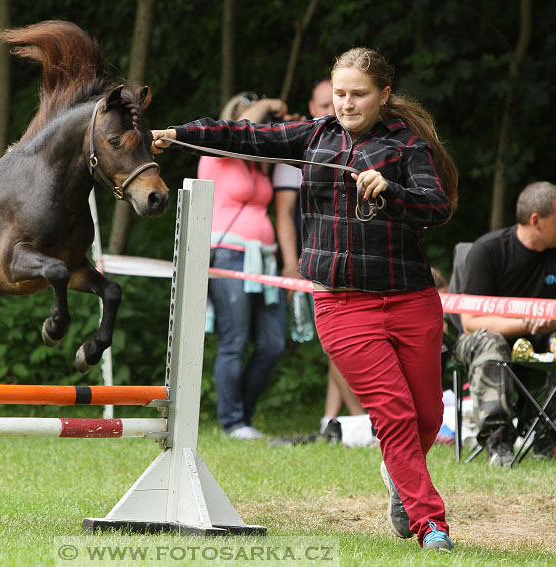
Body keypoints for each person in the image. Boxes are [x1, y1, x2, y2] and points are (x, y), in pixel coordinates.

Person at [153, 47, 458, 552]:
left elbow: (437, 206)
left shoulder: (407, 146)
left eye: (359, 94)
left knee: (427, 416)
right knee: (395, 413)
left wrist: (390, 191)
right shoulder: (314, 135)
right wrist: (180, 134)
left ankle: (400, 475)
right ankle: (432, 525)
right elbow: (244, 136)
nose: (346, 103)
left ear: (384, 95)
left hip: (412, 299)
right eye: (339, 93)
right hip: (341, 305)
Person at [453, 182, 556, 465]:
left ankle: (553, 435)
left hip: (545, 333)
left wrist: (547, 320)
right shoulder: (487, 250)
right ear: (536, 221)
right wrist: (525, 323)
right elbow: (470, 322)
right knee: (489, 341)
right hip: (485, 339)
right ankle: (498, 441)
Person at [273, 79, 364, 438]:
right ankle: (361, 421)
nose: (333, 110)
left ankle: (331, 419)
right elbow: (284, 215)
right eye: (325, 104)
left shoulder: (359, 145)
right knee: (337, 343)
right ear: (312, 108)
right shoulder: (295, 152)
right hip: (313, 262)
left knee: (339, 342)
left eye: (338, 101)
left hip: (350, 260)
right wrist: (292, 264)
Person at [198, 92, 289, 440]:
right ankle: (233, 422)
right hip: (228, 256)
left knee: (272, 343)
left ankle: (244, 418)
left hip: (263, 258)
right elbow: (239, 130)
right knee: (235, 340)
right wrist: (270, 104)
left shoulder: (257, 164)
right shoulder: (216, 153)